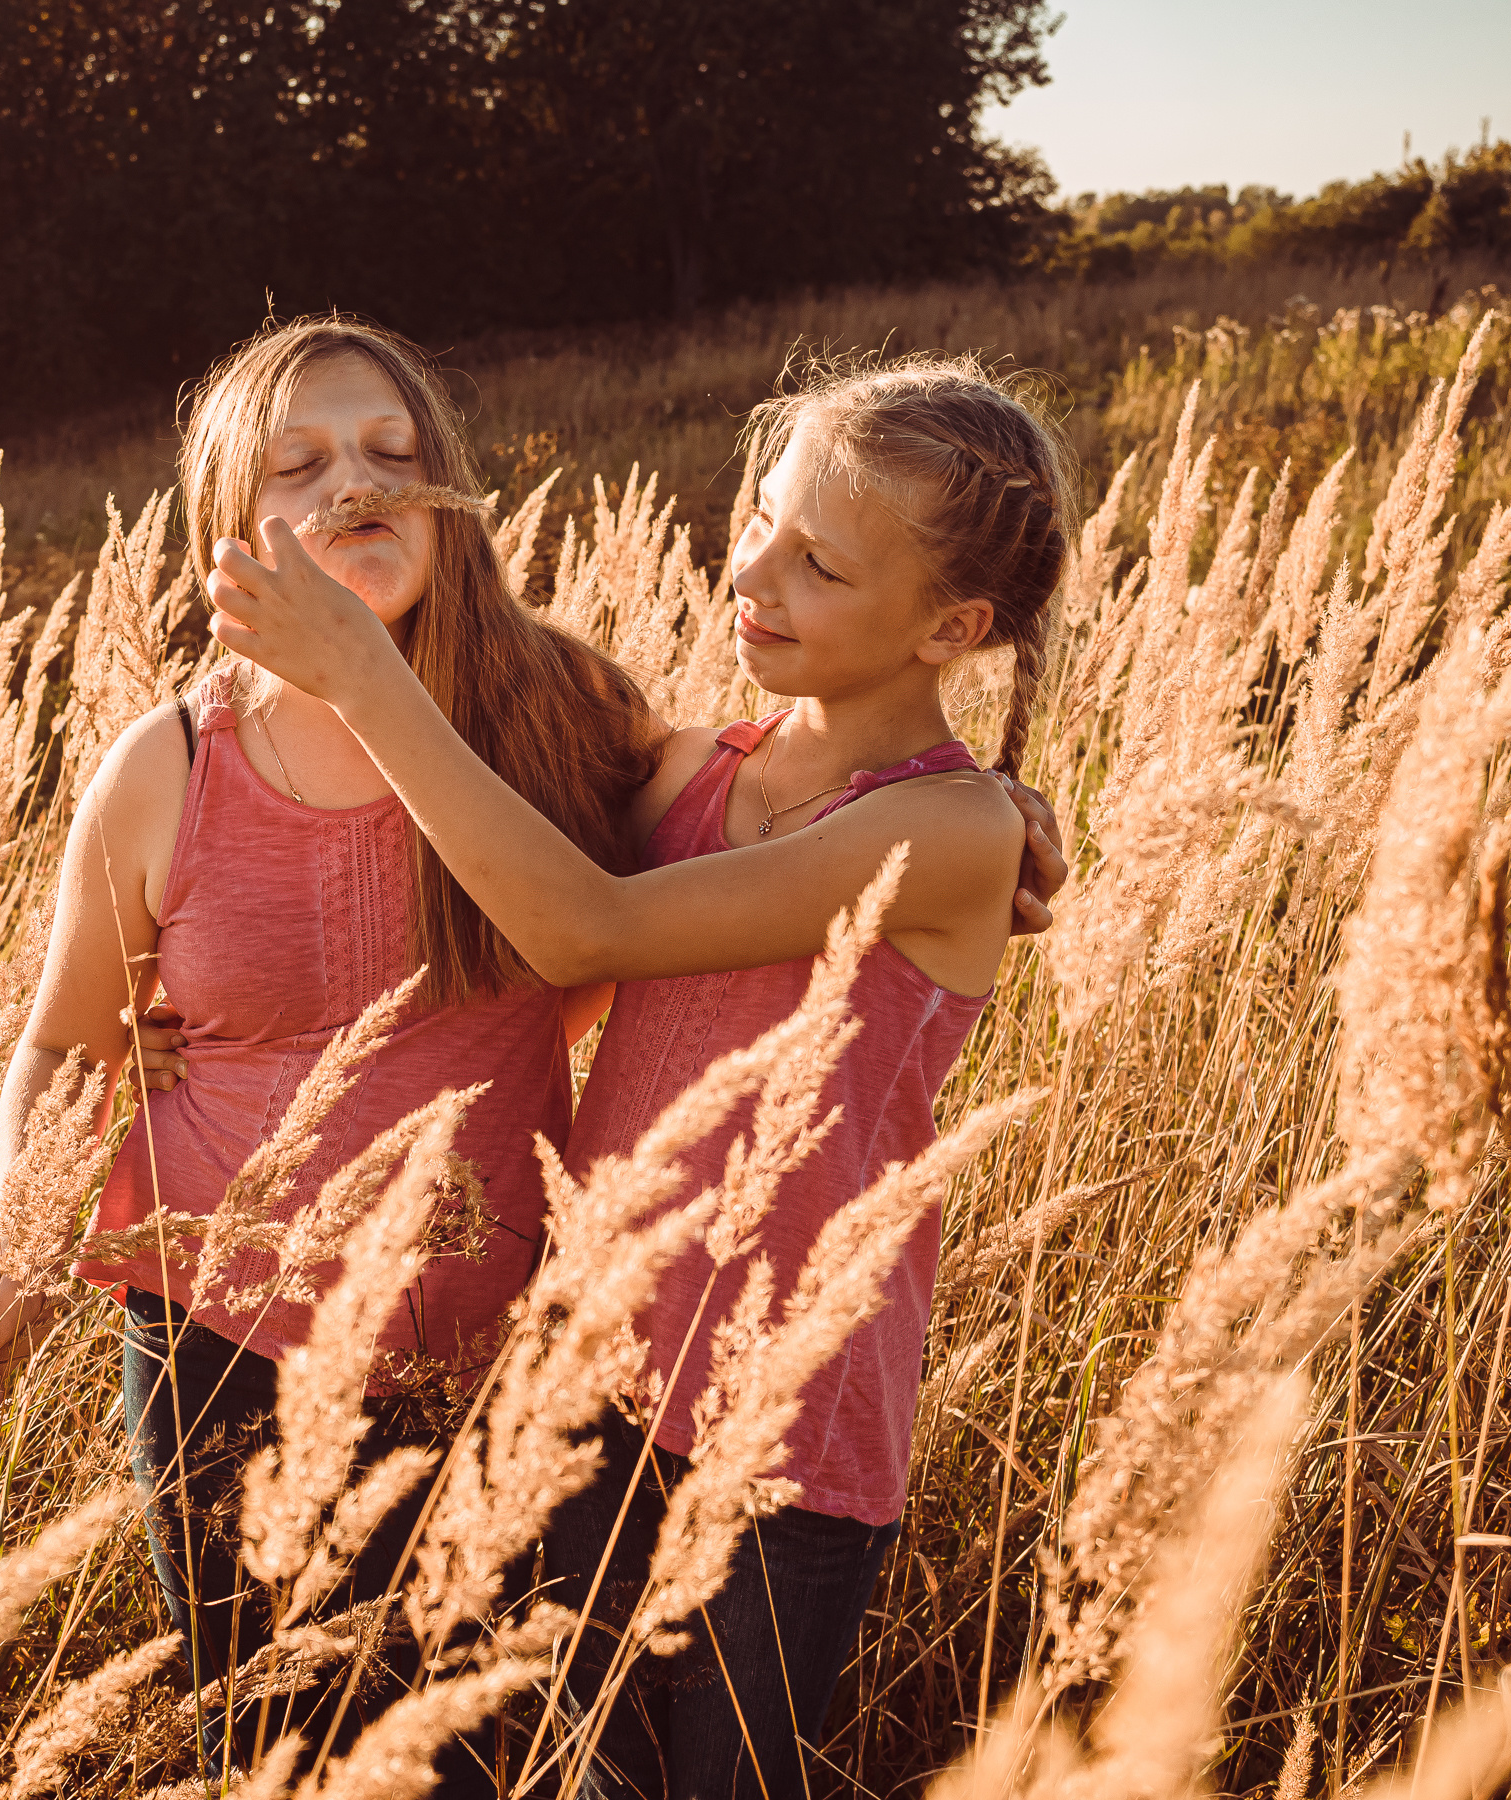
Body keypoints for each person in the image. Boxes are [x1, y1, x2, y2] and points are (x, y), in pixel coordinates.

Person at [201, 353, 1074, 1796]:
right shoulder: (696, 766)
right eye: (760, 520)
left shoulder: (949, 830)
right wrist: (194, 1016)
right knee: (560, 1768)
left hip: (781, 1422)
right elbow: (484, 806)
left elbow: (581, 923)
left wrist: (358, 675)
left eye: (820, 566)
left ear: (953, 625)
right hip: (593, 1375)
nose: (756, 571)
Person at [0, 316, 662, 1782]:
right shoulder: (170, 766)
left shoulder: (569, 714)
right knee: (277, 1749)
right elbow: (68, 1043)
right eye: (299, 463)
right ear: (225, 529)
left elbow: (759, 827)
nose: (356, 486)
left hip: (495, 1344)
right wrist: (23, 1248)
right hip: (220, 1349)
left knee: (488, 1748)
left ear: (448, 499)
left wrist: (960, 804)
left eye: (394, 454)